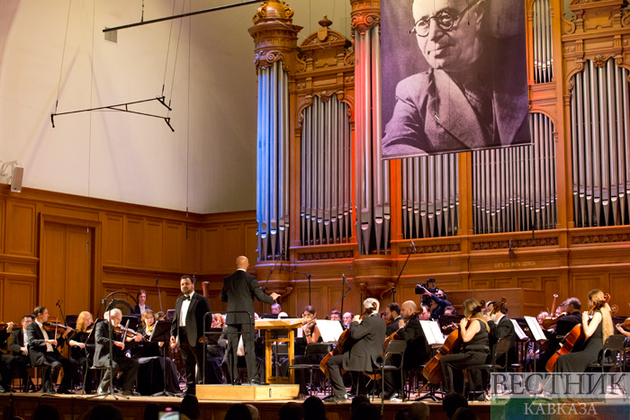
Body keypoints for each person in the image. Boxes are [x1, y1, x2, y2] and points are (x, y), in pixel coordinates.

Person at [382, 0, 530, 157]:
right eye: (423, 23)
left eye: (446, 17)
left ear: (477, 15)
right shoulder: (413, 91)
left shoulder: (525, 56)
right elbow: (395, 144)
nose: (433, 35)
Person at [221, 256, 280, 385]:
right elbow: (259, 296)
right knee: (249, 348)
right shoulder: (250, 279)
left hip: (232, 317)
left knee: (231, 348)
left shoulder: (227, 279)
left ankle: (233, 379)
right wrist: (272, 298)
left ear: (236, 264)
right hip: (246, 317)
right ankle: (253, 378)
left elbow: (223, 297)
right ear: (247, 265)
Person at [324, 298, 386, 403]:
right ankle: (362, 392)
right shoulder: (381, 322)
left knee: (331, 361)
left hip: (363, 359)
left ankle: (341, 394)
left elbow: (355, 335)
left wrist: (355, 322)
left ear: (367, 308)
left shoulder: (368, 321)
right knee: (351, 363)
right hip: (375, 358)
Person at [170, 275, 211, 395]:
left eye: (187, 283)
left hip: (197, 336)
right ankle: (190, 390)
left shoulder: (201, 299)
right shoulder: (179, 301)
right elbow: (175, 319)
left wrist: (205, 335)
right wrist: (173, 334)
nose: (184, 286)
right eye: (182, 284)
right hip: (182, 335)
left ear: (193, 285)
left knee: (201, 363)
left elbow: (208, 318)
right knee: (187, 364)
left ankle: (203, 390)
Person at [554, 289, 614, 373]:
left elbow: (588, 333)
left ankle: (570, 385)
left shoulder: (598, 314)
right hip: (599, 351)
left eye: (588, 300)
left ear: (592, 301)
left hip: (593, 352)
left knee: (562, 359)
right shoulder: (604, 314)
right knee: (566, 358)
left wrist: (584, 320)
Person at [439, 299, 489, 396]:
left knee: (444, 360)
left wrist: (462, 326)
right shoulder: (481, 322)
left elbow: (466, 338)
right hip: (478, 355)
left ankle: (451, 393)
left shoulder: (476, 322)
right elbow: (470, 336)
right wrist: (459, 329)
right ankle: (458, 391)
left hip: (474, 355)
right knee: (453, 362)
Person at [27, 306, 77, 394]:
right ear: (39, 315)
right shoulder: (31, 327)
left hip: (52, 354)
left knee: (72, 363)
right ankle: (48, 385)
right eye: (46, 313)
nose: (48, 315)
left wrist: (64, 334)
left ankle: (63, 387)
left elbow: (55, 343)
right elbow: (31, 341)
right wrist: (46, 341)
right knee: (56, 364)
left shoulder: (48, 327)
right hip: (40, 354)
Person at [94, 308, 142, 396]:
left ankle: (126, 389)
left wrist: (134, 340)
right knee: (114, 365)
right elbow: (98, 339)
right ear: (111, 317)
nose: (119, 322)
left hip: (115, 356)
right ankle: (102, 387)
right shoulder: (100, 325)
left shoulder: (118, 330)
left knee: (134, 363)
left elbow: (122, 347)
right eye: (118, 319)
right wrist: (114, 342)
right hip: (103, 356)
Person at [136, 309, 179, 395]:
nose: (149, 320)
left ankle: (158, 389)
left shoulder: (157, 329)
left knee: (157, 361)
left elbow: (159, 346)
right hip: (143, 355)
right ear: (143, 319)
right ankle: (146, 389)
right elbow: (138, 346)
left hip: (156, 354)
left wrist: (161, 337)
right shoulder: (140, 330)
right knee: (152, 361)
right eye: (147, 318)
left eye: (151, 317)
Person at [536, 298, 582, 371]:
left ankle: (542, 382)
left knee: (538, 363)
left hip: (560, 351)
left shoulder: (564, 320)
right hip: (578, 351)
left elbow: (553, 338)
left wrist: (542, 331)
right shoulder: (583, 319)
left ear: (571, 306)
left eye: (566, 305)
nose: (565, 308)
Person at [67, 311, 96, 393]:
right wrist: (78, 343)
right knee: (87, 362)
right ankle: (88, 388)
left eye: (90, 319)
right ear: (81, 321)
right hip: (81, 356)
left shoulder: (94, 331)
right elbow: (69, 341)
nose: (89, 321)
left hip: (92, 354)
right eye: (86, 319)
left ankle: (98, 386)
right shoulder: (78, 332)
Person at [9, 315, 35, 392]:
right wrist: (21, 348)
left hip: (32, 356)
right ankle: (28, 383)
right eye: (27, 322)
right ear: (22, 323)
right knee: (18, 361)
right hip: (21, 356)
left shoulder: (34, 333)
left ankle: (28, 384)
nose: (29, 323)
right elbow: (12, 345)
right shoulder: (17, 333)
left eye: (31, 322)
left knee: (19, 362)